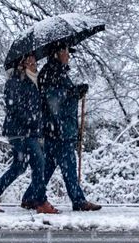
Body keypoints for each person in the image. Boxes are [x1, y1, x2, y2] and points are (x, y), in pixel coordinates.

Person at [0, 54, 60, 214]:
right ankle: (41, 202)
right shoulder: (15, 81)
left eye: (34, 60)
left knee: (19, 166)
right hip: (21, 131)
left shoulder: (34, 81)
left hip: (28, 131)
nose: (34, 63)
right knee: (39, 163)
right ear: (22, 64)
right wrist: (32, 120)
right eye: (29, 61)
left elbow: (36, 107)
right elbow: (13, 107)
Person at [34, 44, 102, 211]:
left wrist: (76, 93)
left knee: (48, 167)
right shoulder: (51, 73)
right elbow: (52, 100)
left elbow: (62, 99)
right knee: (69, 167)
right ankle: (78, 201)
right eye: (65, 51)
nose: (68, 55)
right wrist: (73, 92)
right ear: (56, 54)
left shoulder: (58, 72)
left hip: (57, 129)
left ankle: (31, 197)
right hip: (59, 130)